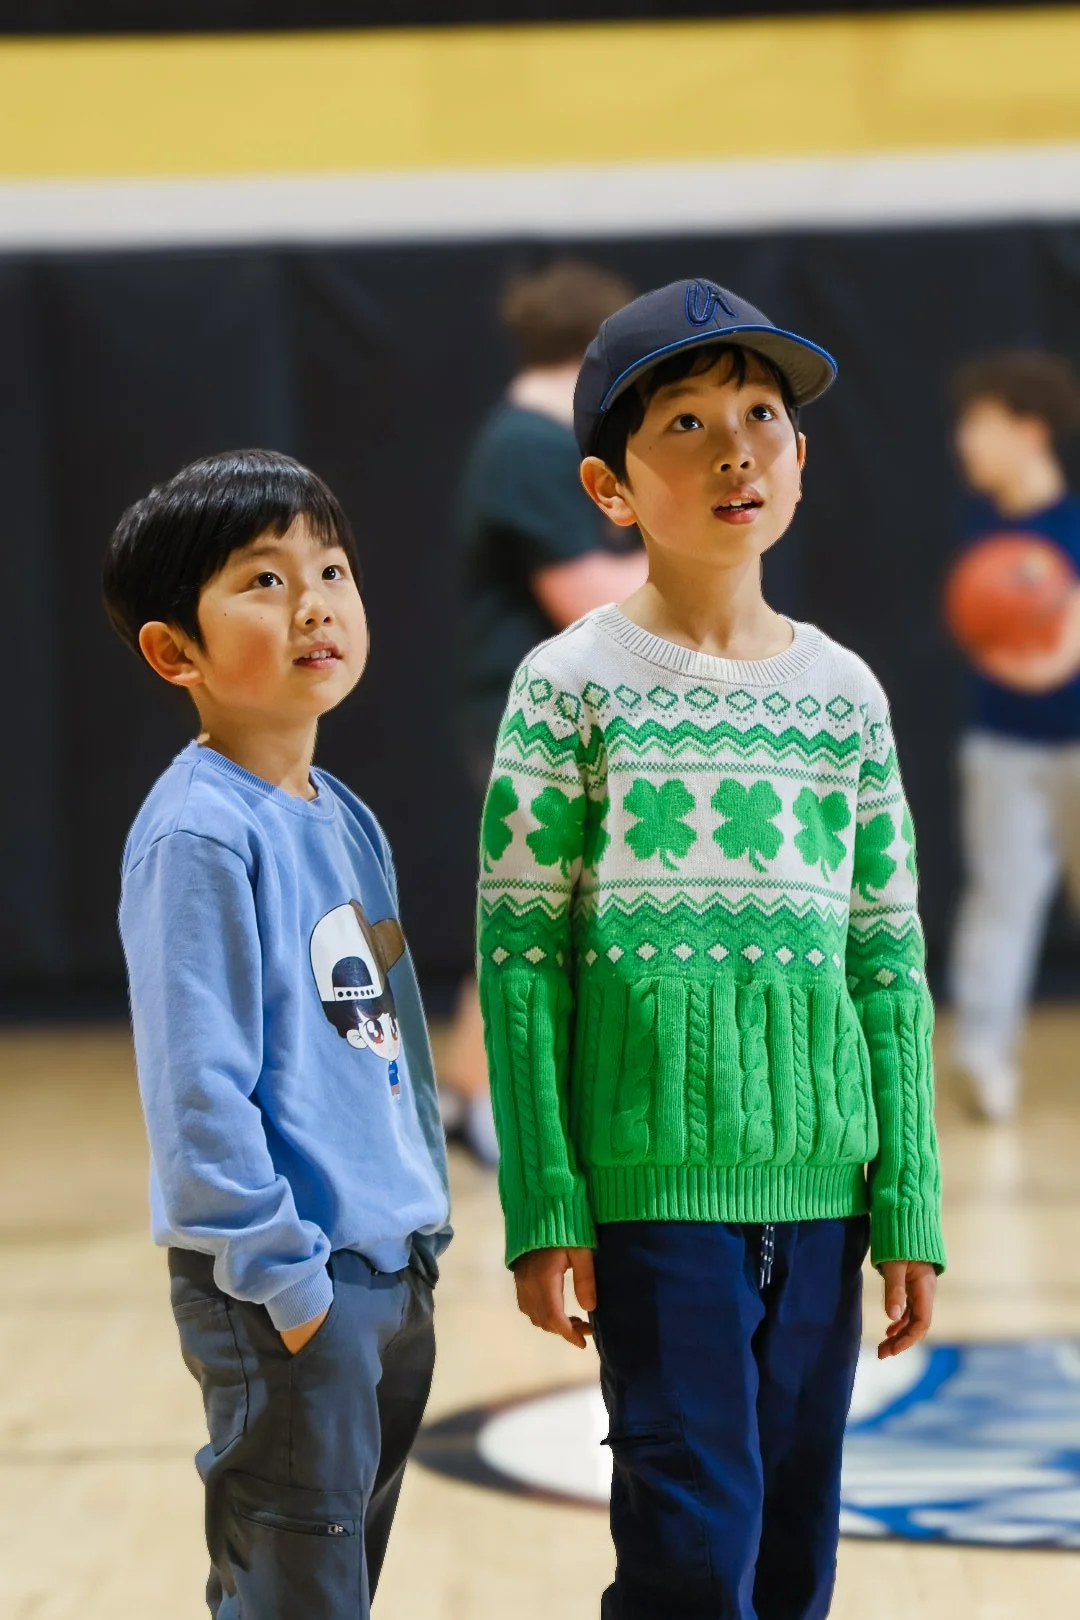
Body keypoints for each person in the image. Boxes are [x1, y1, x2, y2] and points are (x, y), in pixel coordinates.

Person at [477, 279, 945, 1619]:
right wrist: (546, 1202)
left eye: (761, 415)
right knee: (692, 1548)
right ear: (610, 488)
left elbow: (886, 965)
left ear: (801, 460)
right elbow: (521, 963)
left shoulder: (846, 694)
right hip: (650, 1195)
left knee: (796, 1554)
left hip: (827, 1191)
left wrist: (906, 1193)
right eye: (683, 423)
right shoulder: (568, 688)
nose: (735, 445)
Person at [102, 450, 451, 1620]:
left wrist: (419, 1226)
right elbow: (197, 1091)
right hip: (289, 1288)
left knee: (338, 1587)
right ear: (173, 652)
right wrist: (289, 1286)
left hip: (387, 1271)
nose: (315, 604)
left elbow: (384, 1038)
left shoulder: (339, 811)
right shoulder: (198, 834)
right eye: (263, 580)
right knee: (294, 1596)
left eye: (332, 569)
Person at [444, 259, 647, 1165]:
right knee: (539, 921)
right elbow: (586, 594)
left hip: (540, 717)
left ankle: (459, 1092)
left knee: (520, 908)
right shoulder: (527, 447)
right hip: (524, 723)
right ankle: (497, 1104)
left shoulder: (530, 441)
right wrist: (704, 564)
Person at [947, 351, 1080, 1122]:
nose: (965, 440)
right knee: (1001, 900)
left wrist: (1051, 656)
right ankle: (984, 1062)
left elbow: (1061, 647)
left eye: (979, 424)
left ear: (1027, 431)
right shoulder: (982, 525)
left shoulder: (1069, 527)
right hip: (1002, 748)